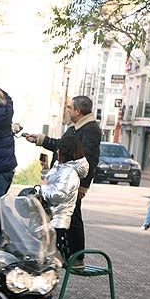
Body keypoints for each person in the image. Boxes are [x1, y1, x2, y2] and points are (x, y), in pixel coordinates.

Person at [24, 96, 100, 268]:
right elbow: (63, 146)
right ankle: (59, 252)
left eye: (69, 107)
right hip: (62, 179)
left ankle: (76, 257)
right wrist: (41, 140)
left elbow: (90, 159)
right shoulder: (75, 128)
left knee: (72, 217)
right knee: (60, 216)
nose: (67, 110)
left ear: (78, 111)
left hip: (71, 183)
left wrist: (83, 186)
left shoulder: (90, 130)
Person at [36, 136, 88, 256]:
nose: (57, 152)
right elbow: (50, 182)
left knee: (45, 255)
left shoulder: (70, 173)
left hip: (57, 220)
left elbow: (58, 195)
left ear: (66, 152)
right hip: (49, 215)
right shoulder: (60, 165)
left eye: (59, 150)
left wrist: (42, 189)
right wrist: (45, 169)